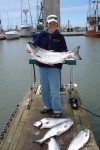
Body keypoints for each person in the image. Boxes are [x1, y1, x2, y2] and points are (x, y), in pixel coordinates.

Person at [29, 15, 72, 118]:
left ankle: (57, 110)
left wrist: (67, 54)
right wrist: (30, 51)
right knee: (45, 89)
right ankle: (48, 106)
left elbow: (63, 50)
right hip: (42, 67)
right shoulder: (41, 35)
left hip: (54, 66)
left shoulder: (60, 37)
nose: (52, 25)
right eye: (50, 23)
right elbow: (35, 46)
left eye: (54, 23)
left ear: (57, 24)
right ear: (47, 24)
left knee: (55, 90)